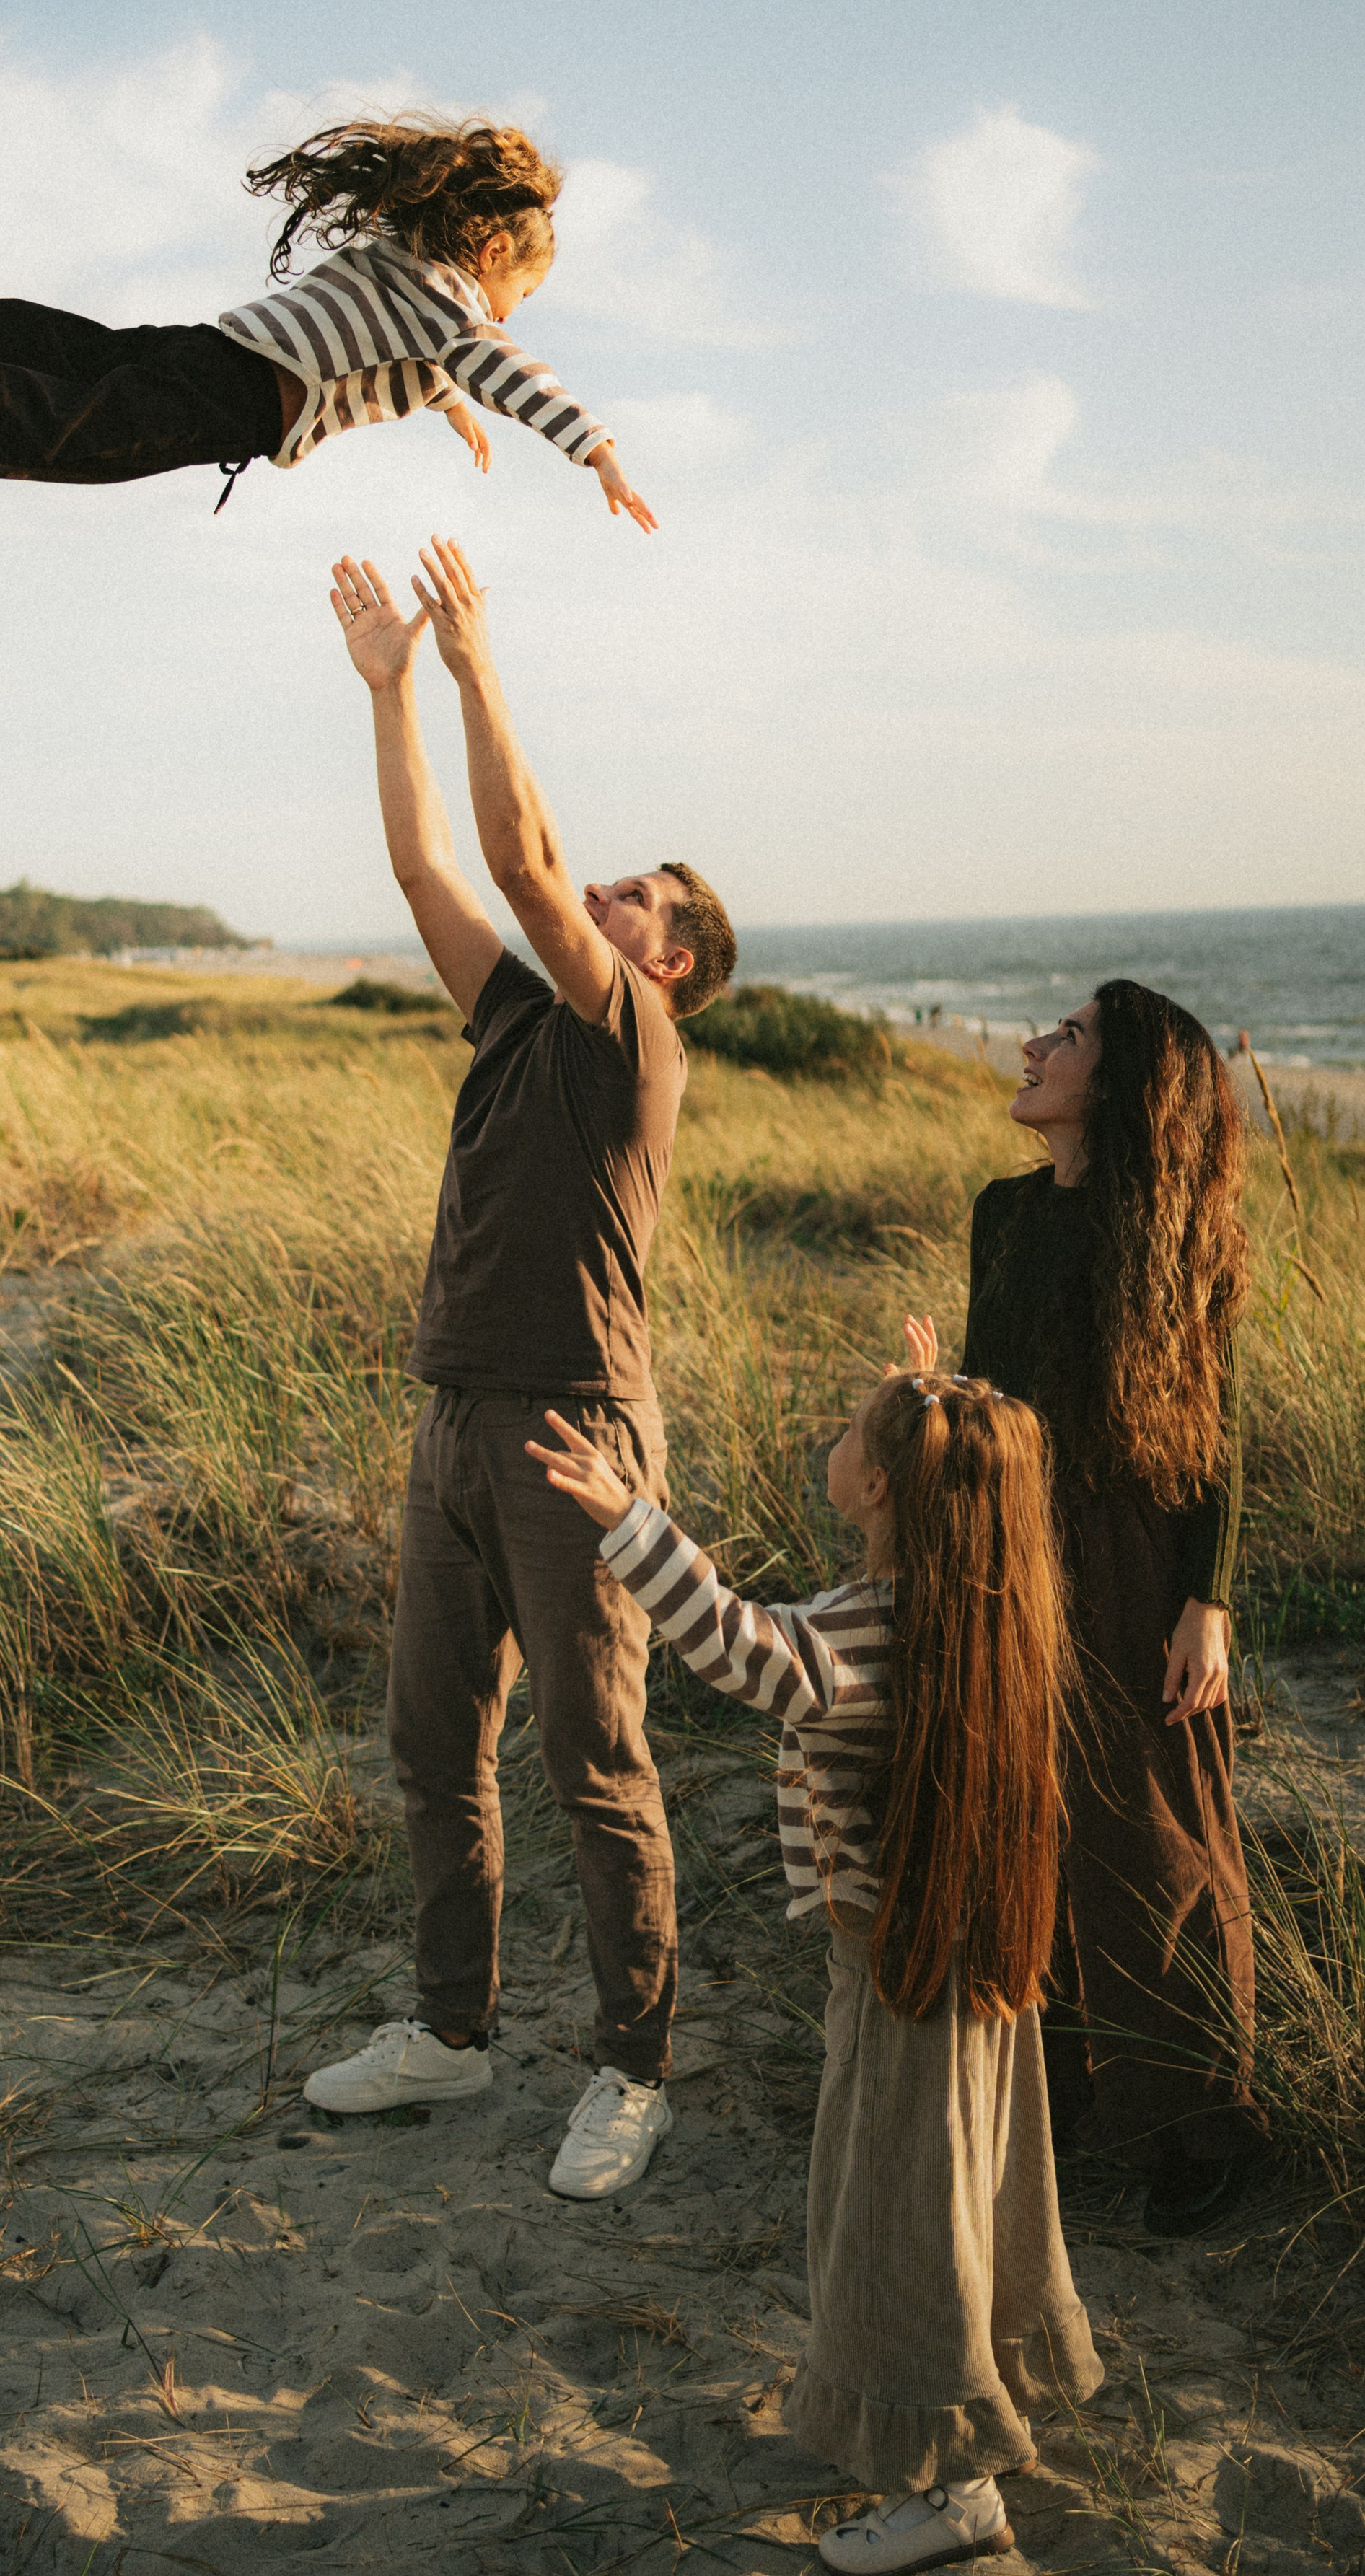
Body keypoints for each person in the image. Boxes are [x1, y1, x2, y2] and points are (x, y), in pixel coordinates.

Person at [299, 539, 735, 2199]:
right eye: (612, 886)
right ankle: (449, 2028)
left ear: (670, 958)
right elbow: (433, 873)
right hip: (456, 1414)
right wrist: (392, 684)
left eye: (641, 898)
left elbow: (519, 859)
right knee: (433, 1743)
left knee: (595, 1757)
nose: (604, 894)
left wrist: (481, 662)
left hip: (577, 1433)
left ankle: (634, 2066)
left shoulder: (633, 1037)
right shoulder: (511, 1023)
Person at [533, 1369, 1102, 2573]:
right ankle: (983, 2403)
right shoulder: (980, 1605)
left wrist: (629, 1524)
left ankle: (952, 2490)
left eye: (852, 1433)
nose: (828, 1442)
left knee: (901, 2227)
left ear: (883, 1487)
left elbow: (743, 1647)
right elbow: (966, 1473)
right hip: (970, 1959)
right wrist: (936, 1388)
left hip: (900, 1980)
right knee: (964, 2199)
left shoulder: (868, 1630)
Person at [928, 980, 1263, 2239]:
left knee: (1159, 1840)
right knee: (1025, 1823)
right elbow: (986, 1392)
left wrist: (1206, 1602)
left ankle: (1201, 2122)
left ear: (1117, 1086)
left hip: (1135, 1562)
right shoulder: (1002, 1213)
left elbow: (1213, 1438)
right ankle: (1063, 2105)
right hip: (1010, 1547)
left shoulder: (1177, 1231)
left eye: (1065, 1038)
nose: (1030, 1046)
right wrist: (936, 1409)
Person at [0, 116, 655, 530]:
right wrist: (598, 453)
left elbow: (422, 355)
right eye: (522, 294)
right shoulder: (457, 313)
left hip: (217, 348)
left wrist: (449, 404)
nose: (512, 314)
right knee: (71, 434)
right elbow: (504, 366)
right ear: (492, 248)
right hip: (240, 401)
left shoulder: (406, 261)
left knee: (65, 349)